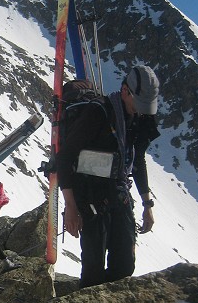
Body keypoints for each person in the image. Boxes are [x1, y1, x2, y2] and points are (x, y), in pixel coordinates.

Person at [57, 65, 160, 288]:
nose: (141, 110)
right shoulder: (98, 113)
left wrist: (147, 203)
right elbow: (64, 158)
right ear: (125, 91)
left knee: (124, 265)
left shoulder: (141, 118)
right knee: (93, 268)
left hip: (118, 192)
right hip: (90, 195)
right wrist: (71, 207)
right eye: (138, 103)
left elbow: (137, 160)